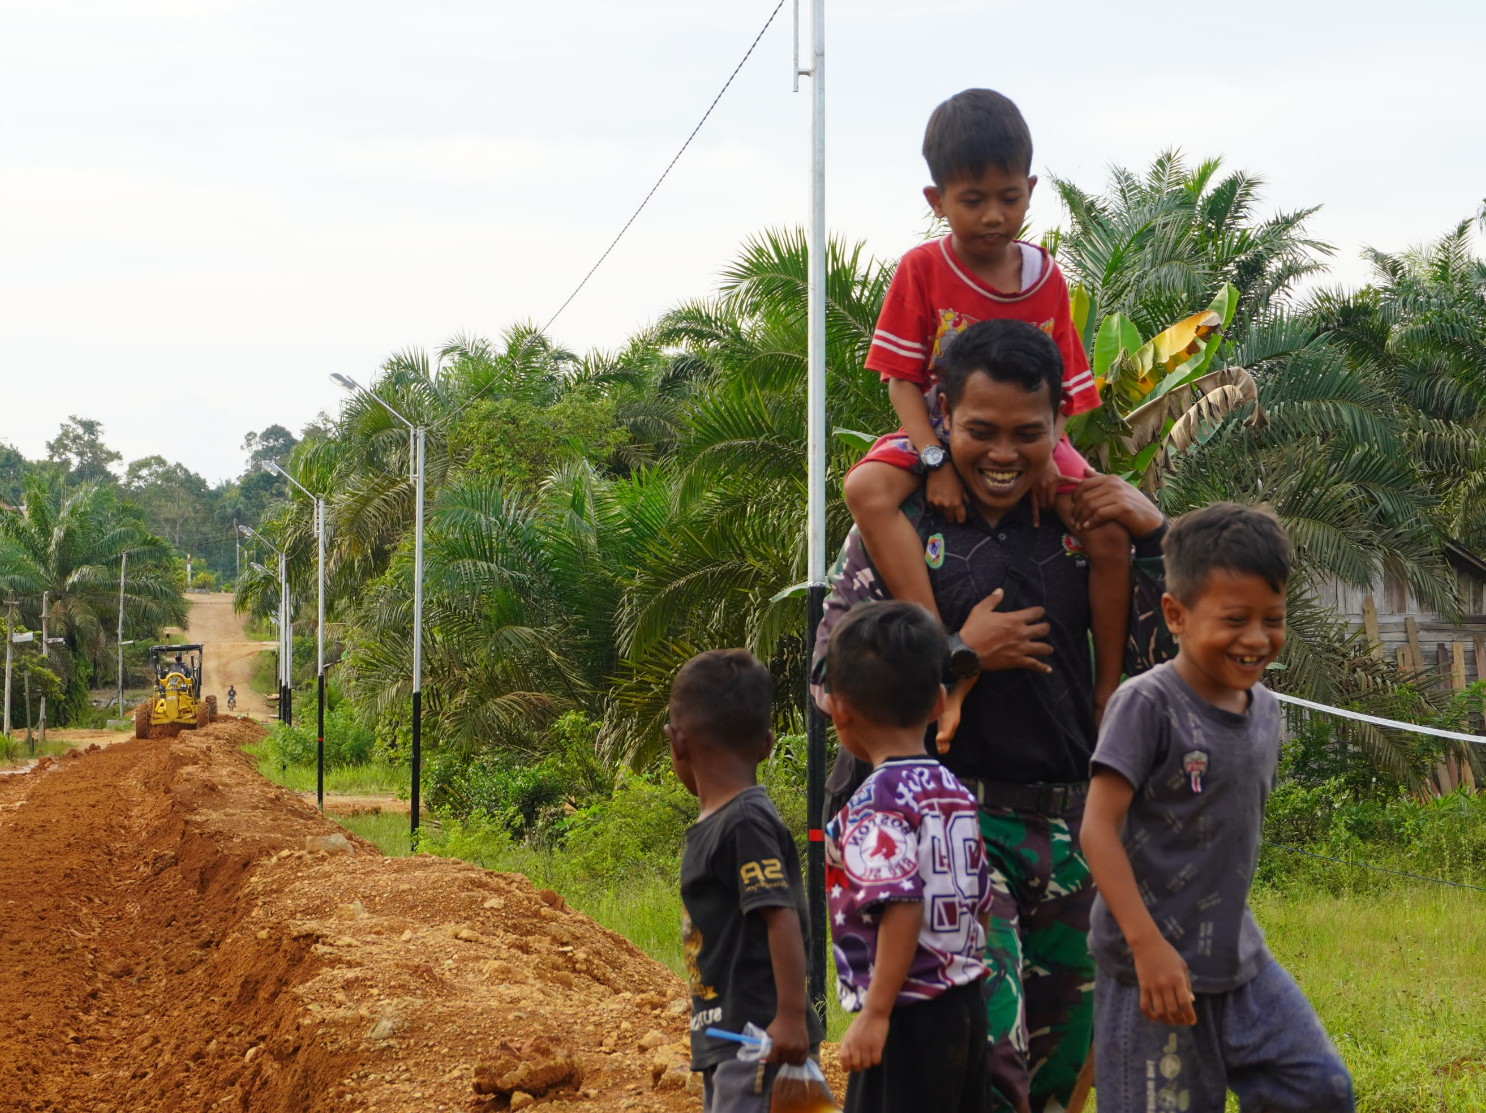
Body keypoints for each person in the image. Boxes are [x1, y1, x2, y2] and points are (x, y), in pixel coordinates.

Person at [813, 317, 1172, 1113]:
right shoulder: (900, 525)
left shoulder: (1087, 524)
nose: (1004, 453)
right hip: (952, 826)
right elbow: (829, 680)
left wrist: (1155, 533)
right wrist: (958, 654)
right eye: (980, 431)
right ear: (941, 413)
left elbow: (1173, 661)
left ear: (1058, 424)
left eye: (1027, 433)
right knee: (991, 1055)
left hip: (1078, 829)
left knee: (1064, 1060)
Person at [842, 88, 1130, 743]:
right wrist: (935, 460)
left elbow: (1060, 395)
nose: (994, 216)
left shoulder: (1047, 277)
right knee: (866, 487)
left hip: (1033, 436)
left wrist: (1054, 462)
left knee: (1109, 529)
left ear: (1030, 189)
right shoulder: (920, 269)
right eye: (973, 201)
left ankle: (1108, 682)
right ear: (936, 200)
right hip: (941, 431)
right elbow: (902, 381)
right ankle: (937, 645)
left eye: (1009, 197)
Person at [1080, 504, 1354, 1112]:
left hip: (1237, 959)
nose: (1256, 638)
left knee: (1319, 1090)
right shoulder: (1145, 704)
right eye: (1235, 619)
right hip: (1146, 966)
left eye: (1272, 619)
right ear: (1175, 615)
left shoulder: (1266, 709)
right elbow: (1098, 830)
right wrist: (1147, 948)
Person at [820, 600, 992, 1113]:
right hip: (965, 1004)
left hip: (907, 1012)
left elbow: (901, 904)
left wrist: (875, 1013)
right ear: (940, 701)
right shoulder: (953, 789)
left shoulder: (875, 805)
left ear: (839, 709)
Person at [667, 649, 824, 1112]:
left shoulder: (744, 822)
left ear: (676, 742)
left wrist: (792, 1017)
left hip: (761, 1042)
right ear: (768, 744)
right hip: (734, 1042)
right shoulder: (727, 822)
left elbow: (780, 916)